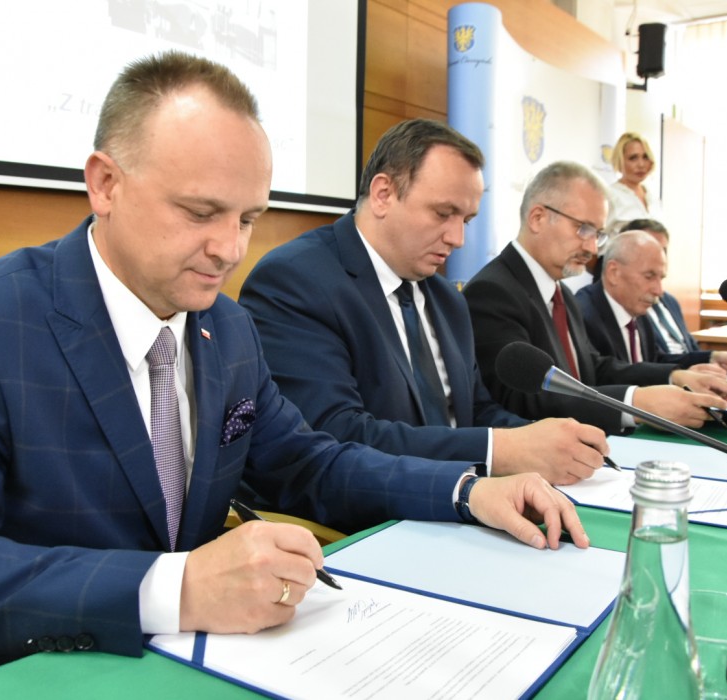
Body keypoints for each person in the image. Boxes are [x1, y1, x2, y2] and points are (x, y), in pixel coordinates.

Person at [0, 53, 590, 698]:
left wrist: (465, 491)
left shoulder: (226, 328)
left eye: (247, 219)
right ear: (105, 184)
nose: (229, 249)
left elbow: (307, 461)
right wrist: (176, 588)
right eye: (200, 212)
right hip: (20, 676)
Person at [238, 119, 610, 488]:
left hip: (466, 501)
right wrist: (500, 449)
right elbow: (335, 436)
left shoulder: (448, 299)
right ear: (383, 194)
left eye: (466, 220)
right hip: (365, 514)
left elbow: (475, 412)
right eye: (443, 214)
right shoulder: (296, 280)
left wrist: (546, 441)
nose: (458, 238)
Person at [463, 161, 727, 434]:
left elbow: (592, 369)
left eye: (597, 234)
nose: (592, 248)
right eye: (583, 229)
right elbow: (522, 400)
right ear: (538, 218)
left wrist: (673, 376)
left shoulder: (561, 294)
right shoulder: (493, 292)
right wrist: (636, 403)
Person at [576, 230, 727, 375]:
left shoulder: (635, 308)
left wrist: (711, 358)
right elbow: (605, 376)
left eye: (661, 278)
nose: (658, 291)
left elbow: (655, 361)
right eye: (649, 276)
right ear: (614, 273)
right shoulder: (583, 314)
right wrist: (674, 376)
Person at [619, 218, 727, 363]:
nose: (658, 255)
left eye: (663, 250)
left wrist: (712, 358)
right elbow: (655, 361)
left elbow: (691, 348)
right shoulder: (628, 305)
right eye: (650, 248)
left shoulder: (669, 301)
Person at [606, 132, 664, 231]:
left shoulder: (653, 198)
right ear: (620, 160)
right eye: (633, 158)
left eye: (645, 157)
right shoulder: (609, 196)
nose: (641, 164)